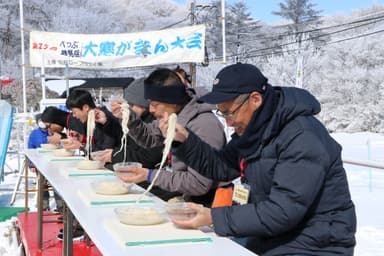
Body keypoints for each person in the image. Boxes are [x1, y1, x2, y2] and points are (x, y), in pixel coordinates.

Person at [159, 63, 357, 255]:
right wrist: (184, 141)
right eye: (222, 113)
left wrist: (213, 216)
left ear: (255, 99)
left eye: (230, 112)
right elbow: (222, 167)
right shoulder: (254, 129)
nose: (228, 122)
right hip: (272, 234)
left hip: (314, 242)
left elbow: (282, 211)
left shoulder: (302, 136)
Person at [110, 68, 227, 207]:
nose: (151, 110)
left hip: (211, 204)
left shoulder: (204, 126)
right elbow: (149, 137)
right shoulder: (174, 115)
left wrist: (149, 175)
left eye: (155, 104)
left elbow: (198, 184)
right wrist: (130, 118)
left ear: (172, 101)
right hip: (189, 196)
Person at [94, 78, 181, 201]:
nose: (127, 108)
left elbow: (148, 157)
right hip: (140, 180)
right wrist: (106, 122)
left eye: (130, 105)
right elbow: (124, 137)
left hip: (156, 186)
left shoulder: (159, 124)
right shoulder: (137, 120)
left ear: (143, 105)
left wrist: (114, 156)